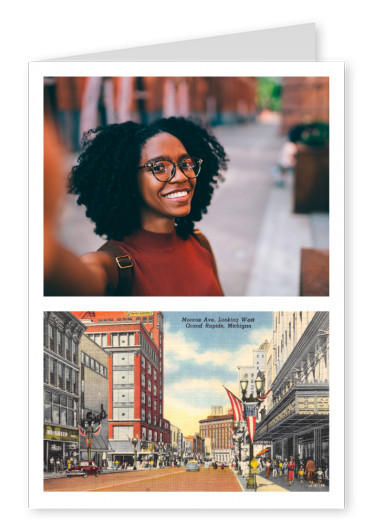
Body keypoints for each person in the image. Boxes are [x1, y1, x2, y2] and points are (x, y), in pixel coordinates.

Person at [45, 116, 228, 296]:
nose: (181, 176)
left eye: (186, 163)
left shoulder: (200, 243)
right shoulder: (111, 266)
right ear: (129, 181)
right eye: (159, 167)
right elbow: (70, 280)